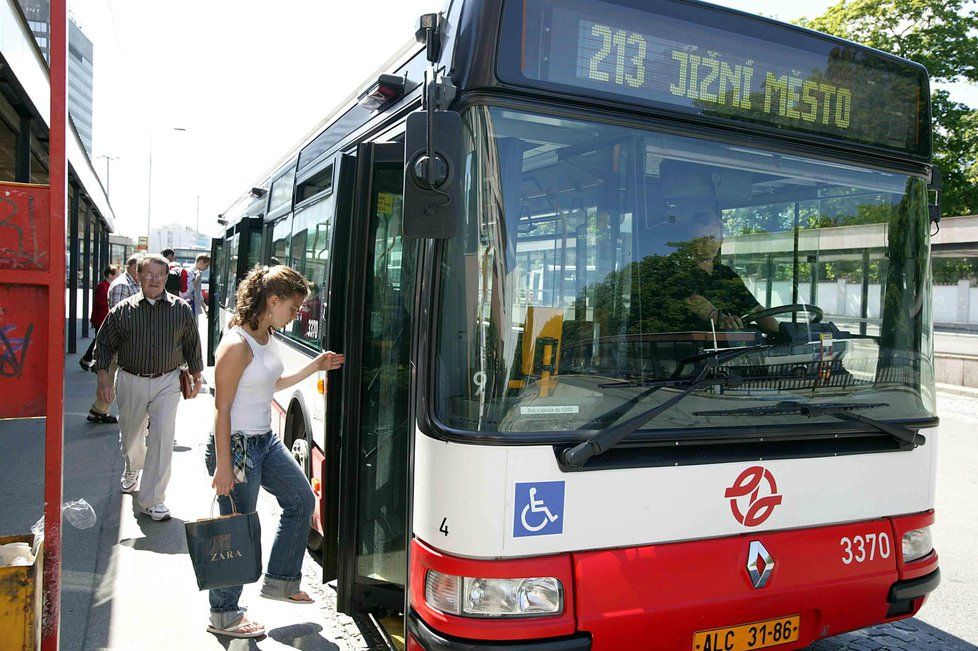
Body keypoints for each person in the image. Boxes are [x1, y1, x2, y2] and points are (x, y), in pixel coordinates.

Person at [205, 265, 344, 638]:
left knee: (301, 500)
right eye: (293, 308)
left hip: (264, 442)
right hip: (236, 450)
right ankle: (224, 615)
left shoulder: (266, 335)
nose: (296, 316)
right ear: (272, 301)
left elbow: (272, 383)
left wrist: (315, 366)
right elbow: (222, 409)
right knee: (238, 531)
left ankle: (281, 581)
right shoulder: (236, 345)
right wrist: (222, 466)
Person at [94, 254, 203, 520]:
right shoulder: (123, 310)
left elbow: (192, 344)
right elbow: (105, 345)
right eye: (148, 274)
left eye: (159, 275)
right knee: (131, 437)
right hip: (131, 379)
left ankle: (153, 499)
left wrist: (197, 374)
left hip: (167, 381)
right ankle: (132, 466)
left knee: (163, 439)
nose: (154, 280)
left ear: (167, 277)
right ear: (138, 276)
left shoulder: (180, 309)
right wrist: (103, 379)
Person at [86, 255, 142, 424]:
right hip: (121, 340)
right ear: (131, 267)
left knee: (115, 376)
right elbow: (118, 316)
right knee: (114, 375)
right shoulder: (122, 285)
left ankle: (99, 409)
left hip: (126, 339)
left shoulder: (131, 283)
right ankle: (101, 410)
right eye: (141, 269)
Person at [79, 264, 120, 371]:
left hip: (104, 317)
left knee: (99, 340)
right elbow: (100, 303)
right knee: (99, 341)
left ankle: (87, 360)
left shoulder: (109, 286)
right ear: (110, 275)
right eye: (117, 274)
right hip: (100, 318)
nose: (119, 276)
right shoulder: (103, 286)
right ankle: (90, 361)